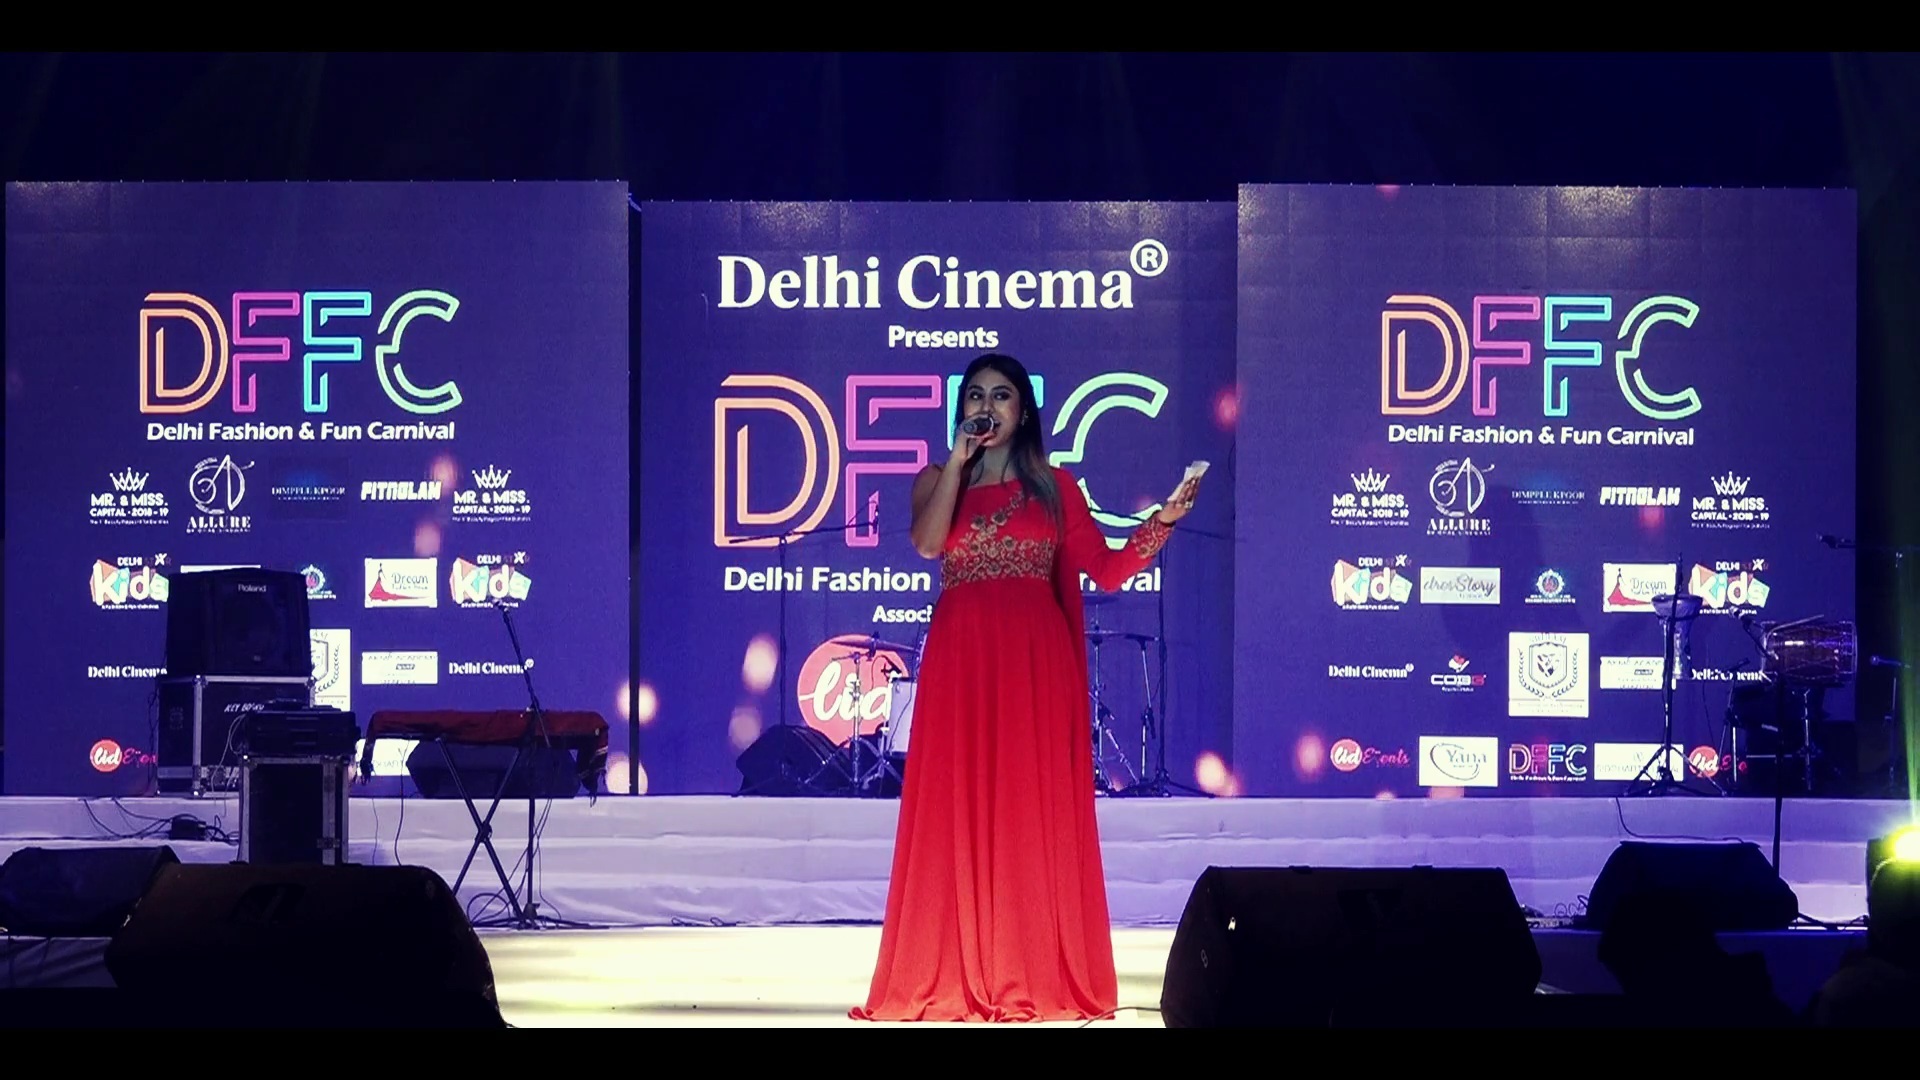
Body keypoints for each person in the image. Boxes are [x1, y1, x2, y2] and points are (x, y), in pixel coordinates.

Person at [851, 353, 1200, 1023]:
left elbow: (1108, 570)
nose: (987, 406)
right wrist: (959, 463)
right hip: (962, 662)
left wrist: (1164, 520)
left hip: (1034, 666)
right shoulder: (935, 480)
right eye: (975, 396)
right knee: (957, 805)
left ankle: (1027, 968)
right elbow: (928, 544)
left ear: (1024, 410)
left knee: (1026, 809)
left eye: (1001, 395)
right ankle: (955, 969)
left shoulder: (1056, 487)